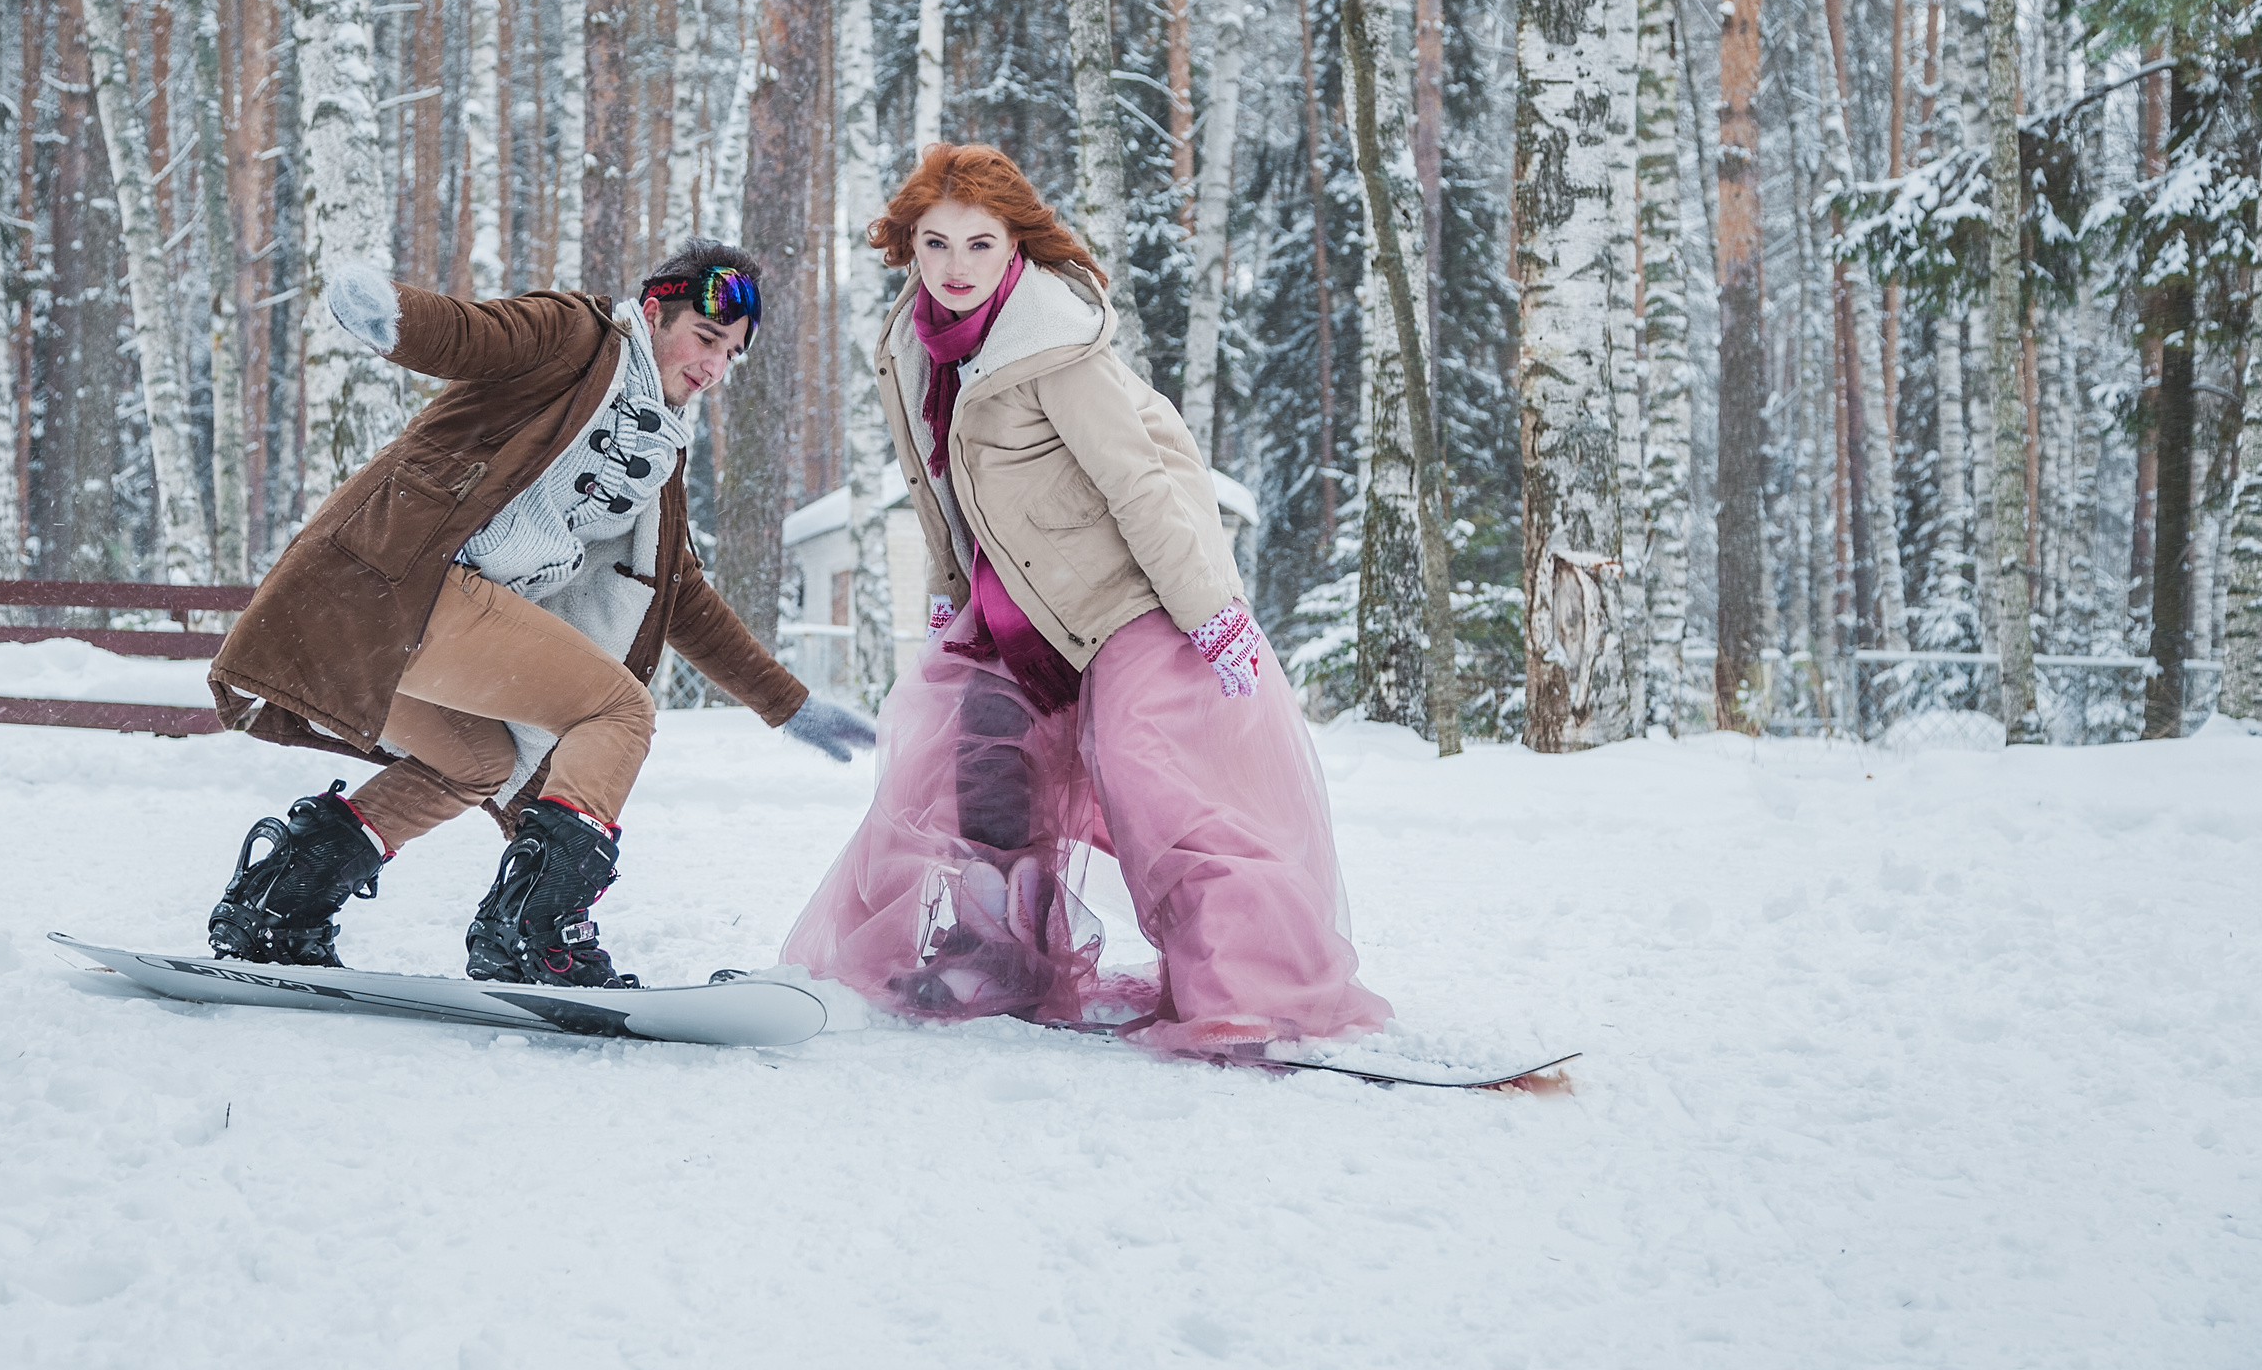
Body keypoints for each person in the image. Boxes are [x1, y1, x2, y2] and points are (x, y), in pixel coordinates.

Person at [779, 145, 1390, 1053]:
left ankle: (1253, 987)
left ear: (1015, 245)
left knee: (1150, 770)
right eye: (934, 244)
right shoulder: (913, 344)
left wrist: (1210, 613)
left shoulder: (1054, 343)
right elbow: (935, 489)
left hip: (1128, 598)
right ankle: (1000, 958)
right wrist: (951, 597)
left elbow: (1142, 484)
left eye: (979, 245)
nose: (954, 268)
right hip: (1016, 606)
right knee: (968, 750)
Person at [203, 241, 876, 987]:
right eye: (706, 338)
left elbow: (679, 597)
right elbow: (473, 335)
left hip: (416, 619)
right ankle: (535, 931)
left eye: (731, 355)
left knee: (476, 760)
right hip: (399, 586)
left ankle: (282, 905)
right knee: (619, 711)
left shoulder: (656, 456)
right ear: (655, 313)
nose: (714, 366)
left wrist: (788, 706)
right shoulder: (580, 342)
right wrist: (391, 315)